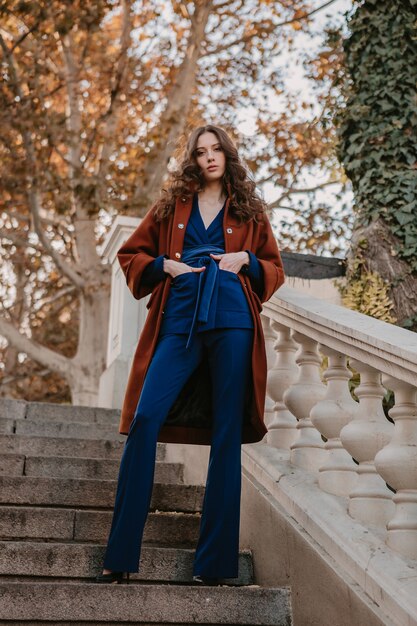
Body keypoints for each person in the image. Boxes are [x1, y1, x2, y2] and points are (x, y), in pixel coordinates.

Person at [95, 124, 285, 585]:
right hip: (179, 316)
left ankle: (214, 566)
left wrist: (247, 262)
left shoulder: (250, 210)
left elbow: (275, 269)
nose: (210, 157)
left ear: (227, 155)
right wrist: (166, 265)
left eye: (216, 149)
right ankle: (119, 556)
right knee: (144, 421)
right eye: (201, 152)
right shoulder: (170, 206)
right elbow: (130, 254)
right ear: (193, 160)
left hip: (233, 318)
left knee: (226, 435)